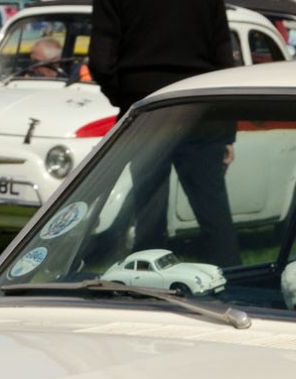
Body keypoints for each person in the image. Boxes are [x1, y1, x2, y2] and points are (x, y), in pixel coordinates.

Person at [89, 0, 239, 266]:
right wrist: (227, 131)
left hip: (147, 104)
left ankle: (146, 283)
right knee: (214, 212)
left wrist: (126, 100)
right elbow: (223, 57)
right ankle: (233, 284)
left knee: (148, 210)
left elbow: (101, 62)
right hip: (200, 103)